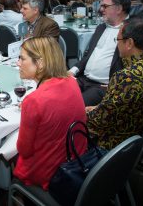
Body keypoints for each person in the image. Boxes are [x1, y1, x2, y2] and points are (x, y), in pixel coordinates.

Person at [14, 37, 87, 190]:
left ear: (40, 63)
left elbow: (24, 150)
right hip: (76, 160)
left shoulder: (34, 101)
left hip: (52, 174)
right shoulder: (71, 81)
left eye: (22, 58)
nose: (18, 63)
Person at [86, 17, 143, 149]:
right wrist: (98, 108)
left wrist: (83, 111)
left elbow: (97, 123)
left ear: (129, 43)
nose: (117, 44)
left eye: (118, 40)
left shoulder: (126, 78)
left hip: (111, 144)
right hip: (134, 138)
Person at [69, 0, 130, 106]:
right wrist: (72, 71)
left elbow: (137, 63)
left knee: (74, 106)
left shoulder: (131, 30)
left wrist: (118, 85)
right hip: (83, 79)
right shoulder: (101, 28)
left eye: (105, 6)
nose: (101, 9)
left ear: (118, 9)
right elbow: (87, 55)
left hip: (102, 87)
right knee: (55, 94)